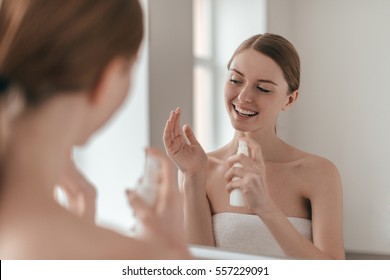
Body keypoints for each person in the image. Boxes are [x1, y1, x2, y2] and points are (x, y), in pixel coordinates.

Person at [0, 0, 190, 259]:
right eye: (129, 69)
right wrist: (172, 257)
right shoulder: (134, 259)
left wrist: (81, 219)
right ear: (108, 79)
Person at [163, 33, 345, 259]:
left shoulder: (318, 173)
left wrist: (265, 207)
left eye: (264, 88)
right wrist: (191, 177)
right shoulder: (201, 168)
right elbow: (199, 267)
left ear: (289, 99)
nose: (244, 96)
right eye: (235, 80)